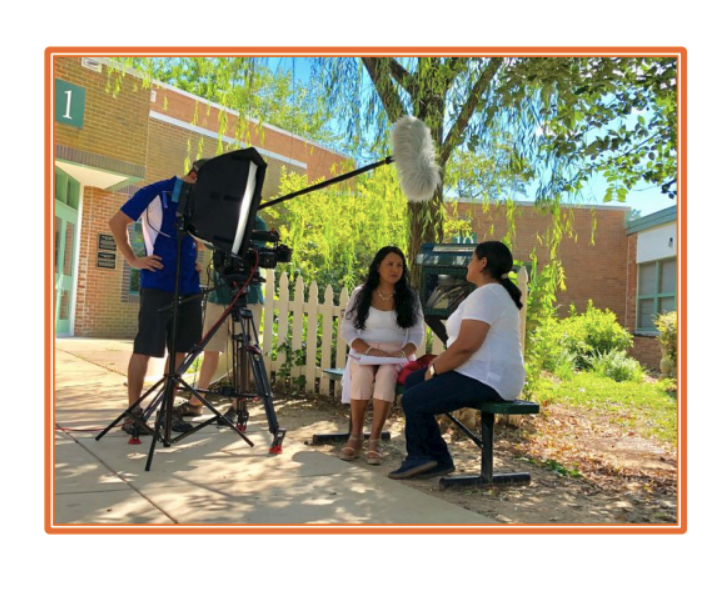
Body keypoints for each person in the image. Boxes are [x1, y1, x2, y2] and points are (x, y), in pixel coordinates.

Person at [388, 241, 526, 480]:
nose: (468, 264)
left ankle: (425, 457)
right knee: (413, 382)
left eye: (472, 259)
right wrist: (433, 369)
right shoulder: (489, 293)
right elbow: (464, 346)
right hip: (479, 373)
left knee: (414, 398)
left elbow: (466, 346)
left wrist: (435, 368)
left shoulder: (488, 294)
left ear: (483, 263)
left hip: (489, 378)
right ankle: (434, 458)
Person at [108, 159, 207, 435]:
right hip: (157, 283)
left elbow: (198, 241)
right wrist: (133, 260)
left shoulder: (199, 203)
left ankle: (166, 411)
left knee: (180, 350)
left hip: (188, 286)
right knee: (145, 348)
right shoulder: (157, 191)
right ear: (193, 175)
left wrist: (194, 261)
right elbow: (117, 222)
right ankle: (134, 414)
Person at [177, 215, 268, 424]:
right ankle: (196, 402)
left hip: (248, 297)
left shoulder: (257, 223)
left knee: (244, 352)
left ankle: (238, 406)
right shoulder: (220, 220)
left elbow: (254, 253)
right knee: (210, 350)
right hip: (218, 297)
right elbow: (202, 242)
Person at [339, 246, 424, 465]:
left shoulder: (409, 296)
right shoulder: (361, 293)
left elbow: (417, 333)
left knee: (386, 376)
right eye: (389, 264)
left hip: (395, 354)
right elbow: (347, 328)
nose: (395, 269)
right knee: (362, 376)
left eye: (399, 265)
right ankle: (355, 436)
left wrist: (403, 352)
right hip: (364, 351)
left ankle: (374, 439)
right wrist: (366, 349)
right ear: (378, 266)